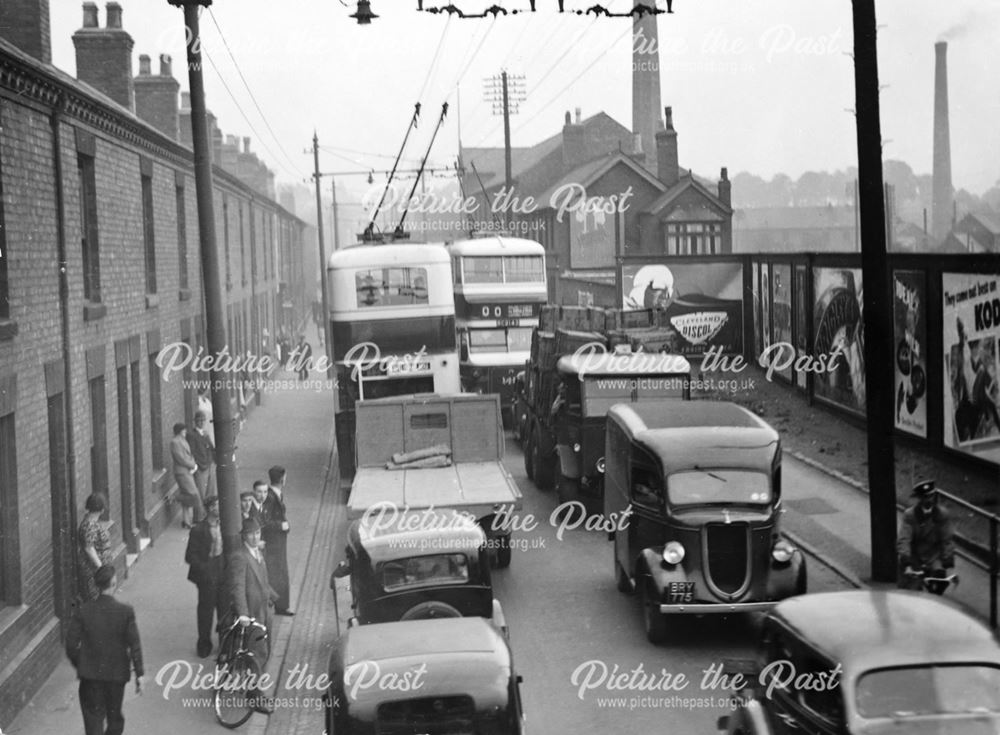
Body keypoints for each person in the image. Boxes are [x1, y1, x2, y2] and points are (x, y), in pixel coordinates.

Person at [66, 564, 144, 735]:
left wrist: (81, 663)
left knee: (93, 720)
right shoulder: (125, 612)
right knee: (115, 719)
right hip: (116, 677)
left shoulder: (83, 611)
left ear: (97, 585)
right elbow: (134, 645)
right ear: (114, 583)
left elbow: (70, 644)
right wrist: (139, 674)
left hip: (90, 677)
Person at [227, 518, 276, 714]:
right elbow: (237, 587)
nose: (255, 537)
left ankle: (256, 688)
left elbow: (263, 580)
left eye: (257, 533)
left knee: (264, 651)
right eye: (251, 534)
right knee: (256, 654)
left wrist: (272, 597)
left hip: (265, 610)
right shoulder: (240, 557)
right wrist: (243, 614)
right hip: (253, 614)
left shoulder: (257, 553)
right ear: (243, 536)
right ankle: (255, 696)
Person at [185, 495, 226, 658]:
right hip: (206, 576)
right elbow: (190, 556)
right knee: (206, 612)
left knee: (224, 610)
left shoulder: (224, 526)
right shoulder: (198, 530)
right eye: (217, 505)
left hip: (222, 572)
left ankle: (224, 643)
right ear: (210, 508)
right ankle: (204, 644)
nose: (220, 509)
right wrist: (205, 570)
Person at [897, 480, 956, 589]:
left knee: (938, 585)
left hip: (933, 558)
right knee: (909, 590)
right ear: (919, 498)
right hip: (914, 558)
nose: (930, 499)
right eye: (925, 497)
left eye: (932, 496)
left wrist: (948, 564)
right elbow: (904, 539)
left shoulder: (942, 514)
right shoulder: (910, 515)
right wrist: (907, 563)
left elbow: (947, 540)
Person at [261, 465, 293, 615]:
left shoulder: (276, 494)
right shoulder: (270, 497)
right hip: (274, 542)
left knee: (279, 571)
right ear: (282, 479)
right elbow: (265, 521)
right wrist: (281, 525)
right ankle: (279, 605)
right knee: (277, 572)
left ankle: (280, 604)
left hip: (278, 540)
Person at [78, 493, 112, 602]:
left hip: (96, 569)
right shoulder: (90, 525)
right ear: (102, 509)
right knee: (96, 600)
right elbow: (89, 548)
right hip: (94, 570)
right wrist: (101, 568)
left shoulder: (91, 522)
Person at [170, 422, 202, 528]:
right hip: (182, 472)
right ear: (179, 431)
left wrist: (193, 464)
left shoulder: (182, 440)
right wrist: (193, 465)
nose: (185, 432)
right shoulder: (175, 442)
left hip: (187, 471)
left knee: (188, 496)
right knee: (194, 495)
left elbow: (189, 455)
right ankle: (174, 498)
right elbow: (180, 458)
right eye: (183, 430)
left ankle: (186, 521)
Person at [188, 411, 216, 503]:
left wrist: (213, 460)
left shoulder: (205, 433)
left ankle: (209, 510)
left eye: (203, 420)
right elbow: (192, 452)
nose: (202, 422)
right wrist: (198, 464)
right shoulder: (192, 435)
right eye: (200, 420)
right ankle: (202, 513)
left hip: (210, 464)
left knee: (211, 490)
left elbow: (211, 447)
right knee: (201, 492)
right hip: (201, 467)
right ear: (195, 421)